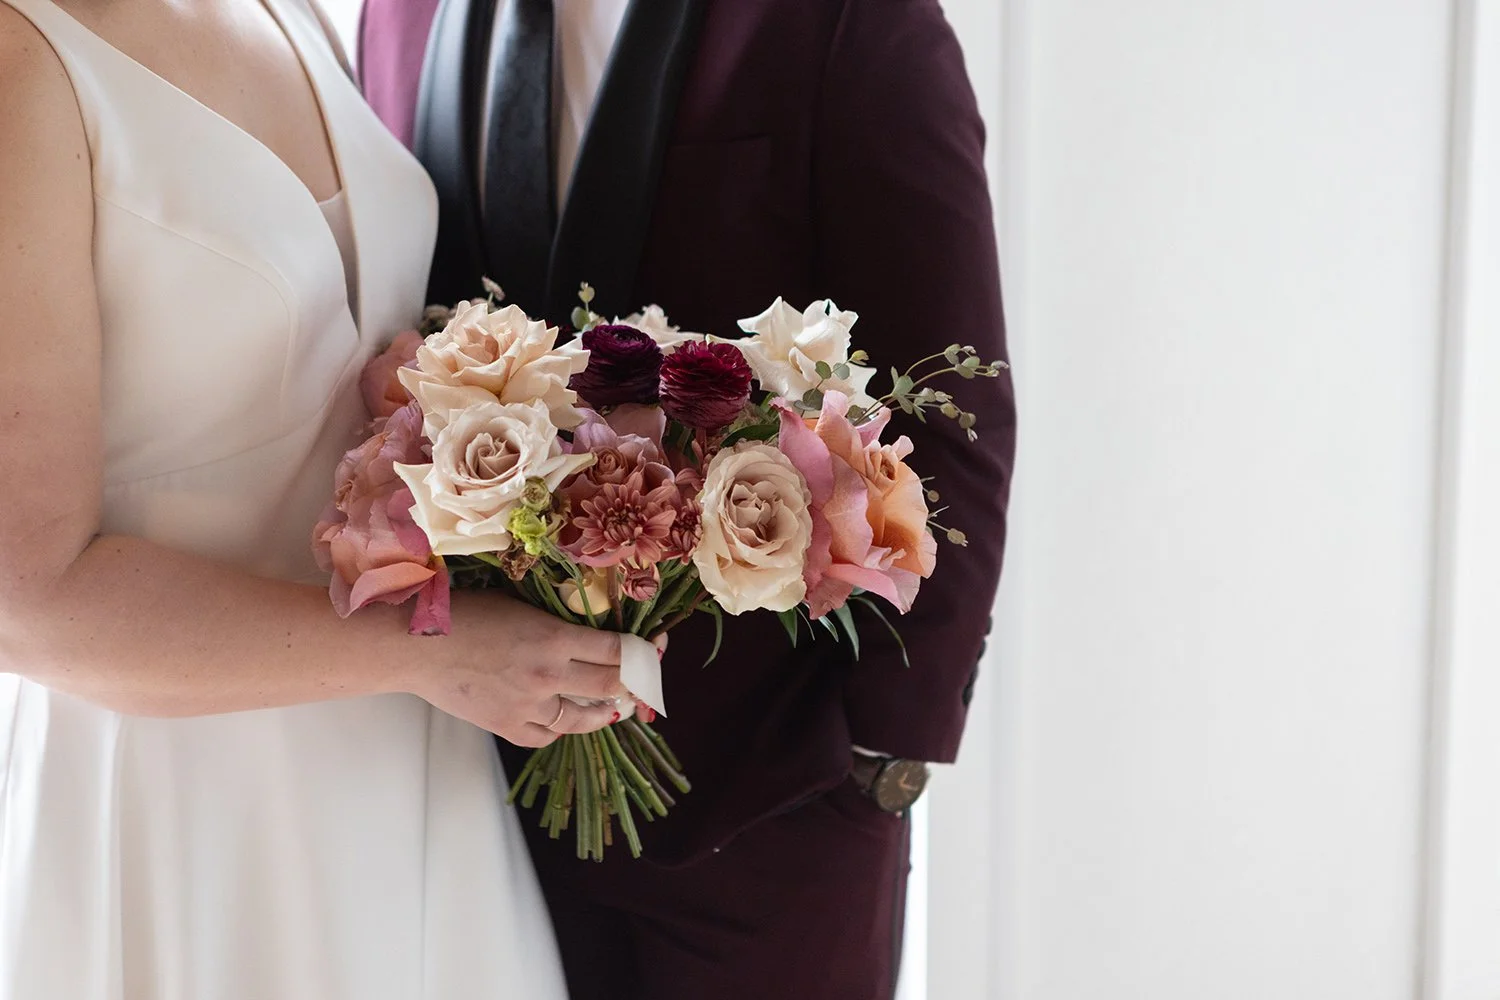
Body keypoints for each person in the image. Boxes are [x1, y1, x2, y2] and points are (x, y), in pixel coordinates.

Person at [359, 1, 1018, 997]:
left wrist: (880, 759)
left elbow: (954, 414)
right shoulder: (393, 17)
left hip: (768, 811)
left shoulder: (847, 22)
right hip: (467, 805)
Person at [0, 0, 625, 996]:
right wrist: (437, 654)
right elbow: (25, 600)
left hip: (415, 757)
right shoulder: (21, 58)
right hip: (187, 799)